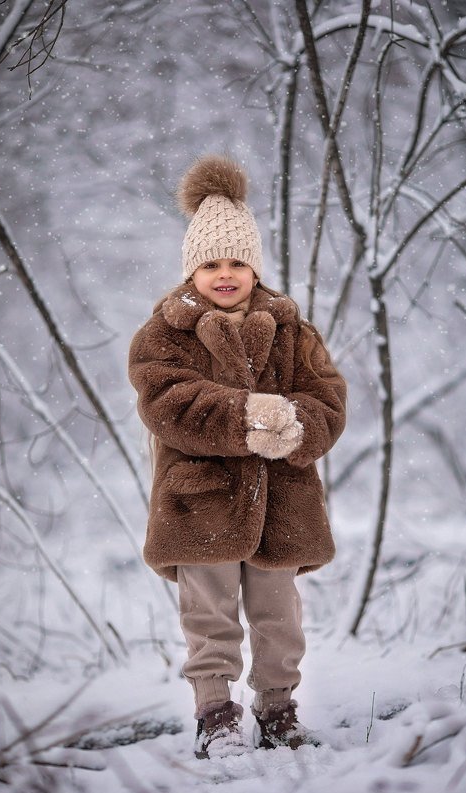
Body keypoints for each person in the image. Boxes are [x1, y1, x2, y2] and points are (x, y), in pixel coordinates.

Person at [128, 154, 347, 760]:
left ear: (254, 267)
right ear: (192, 269)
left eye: (238, 262)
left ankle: (278, 708)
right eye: (211, 264)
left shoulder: (290, 328)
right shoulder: (163, 334)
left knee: (279, 619)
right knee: (209, 618)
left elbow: (327, 397)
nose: (225, 275)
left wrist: (294, 424)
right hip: (200, 500)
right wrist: (245, 417)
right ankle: (215, 714)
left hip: (284, 501)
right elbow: (166, 400)